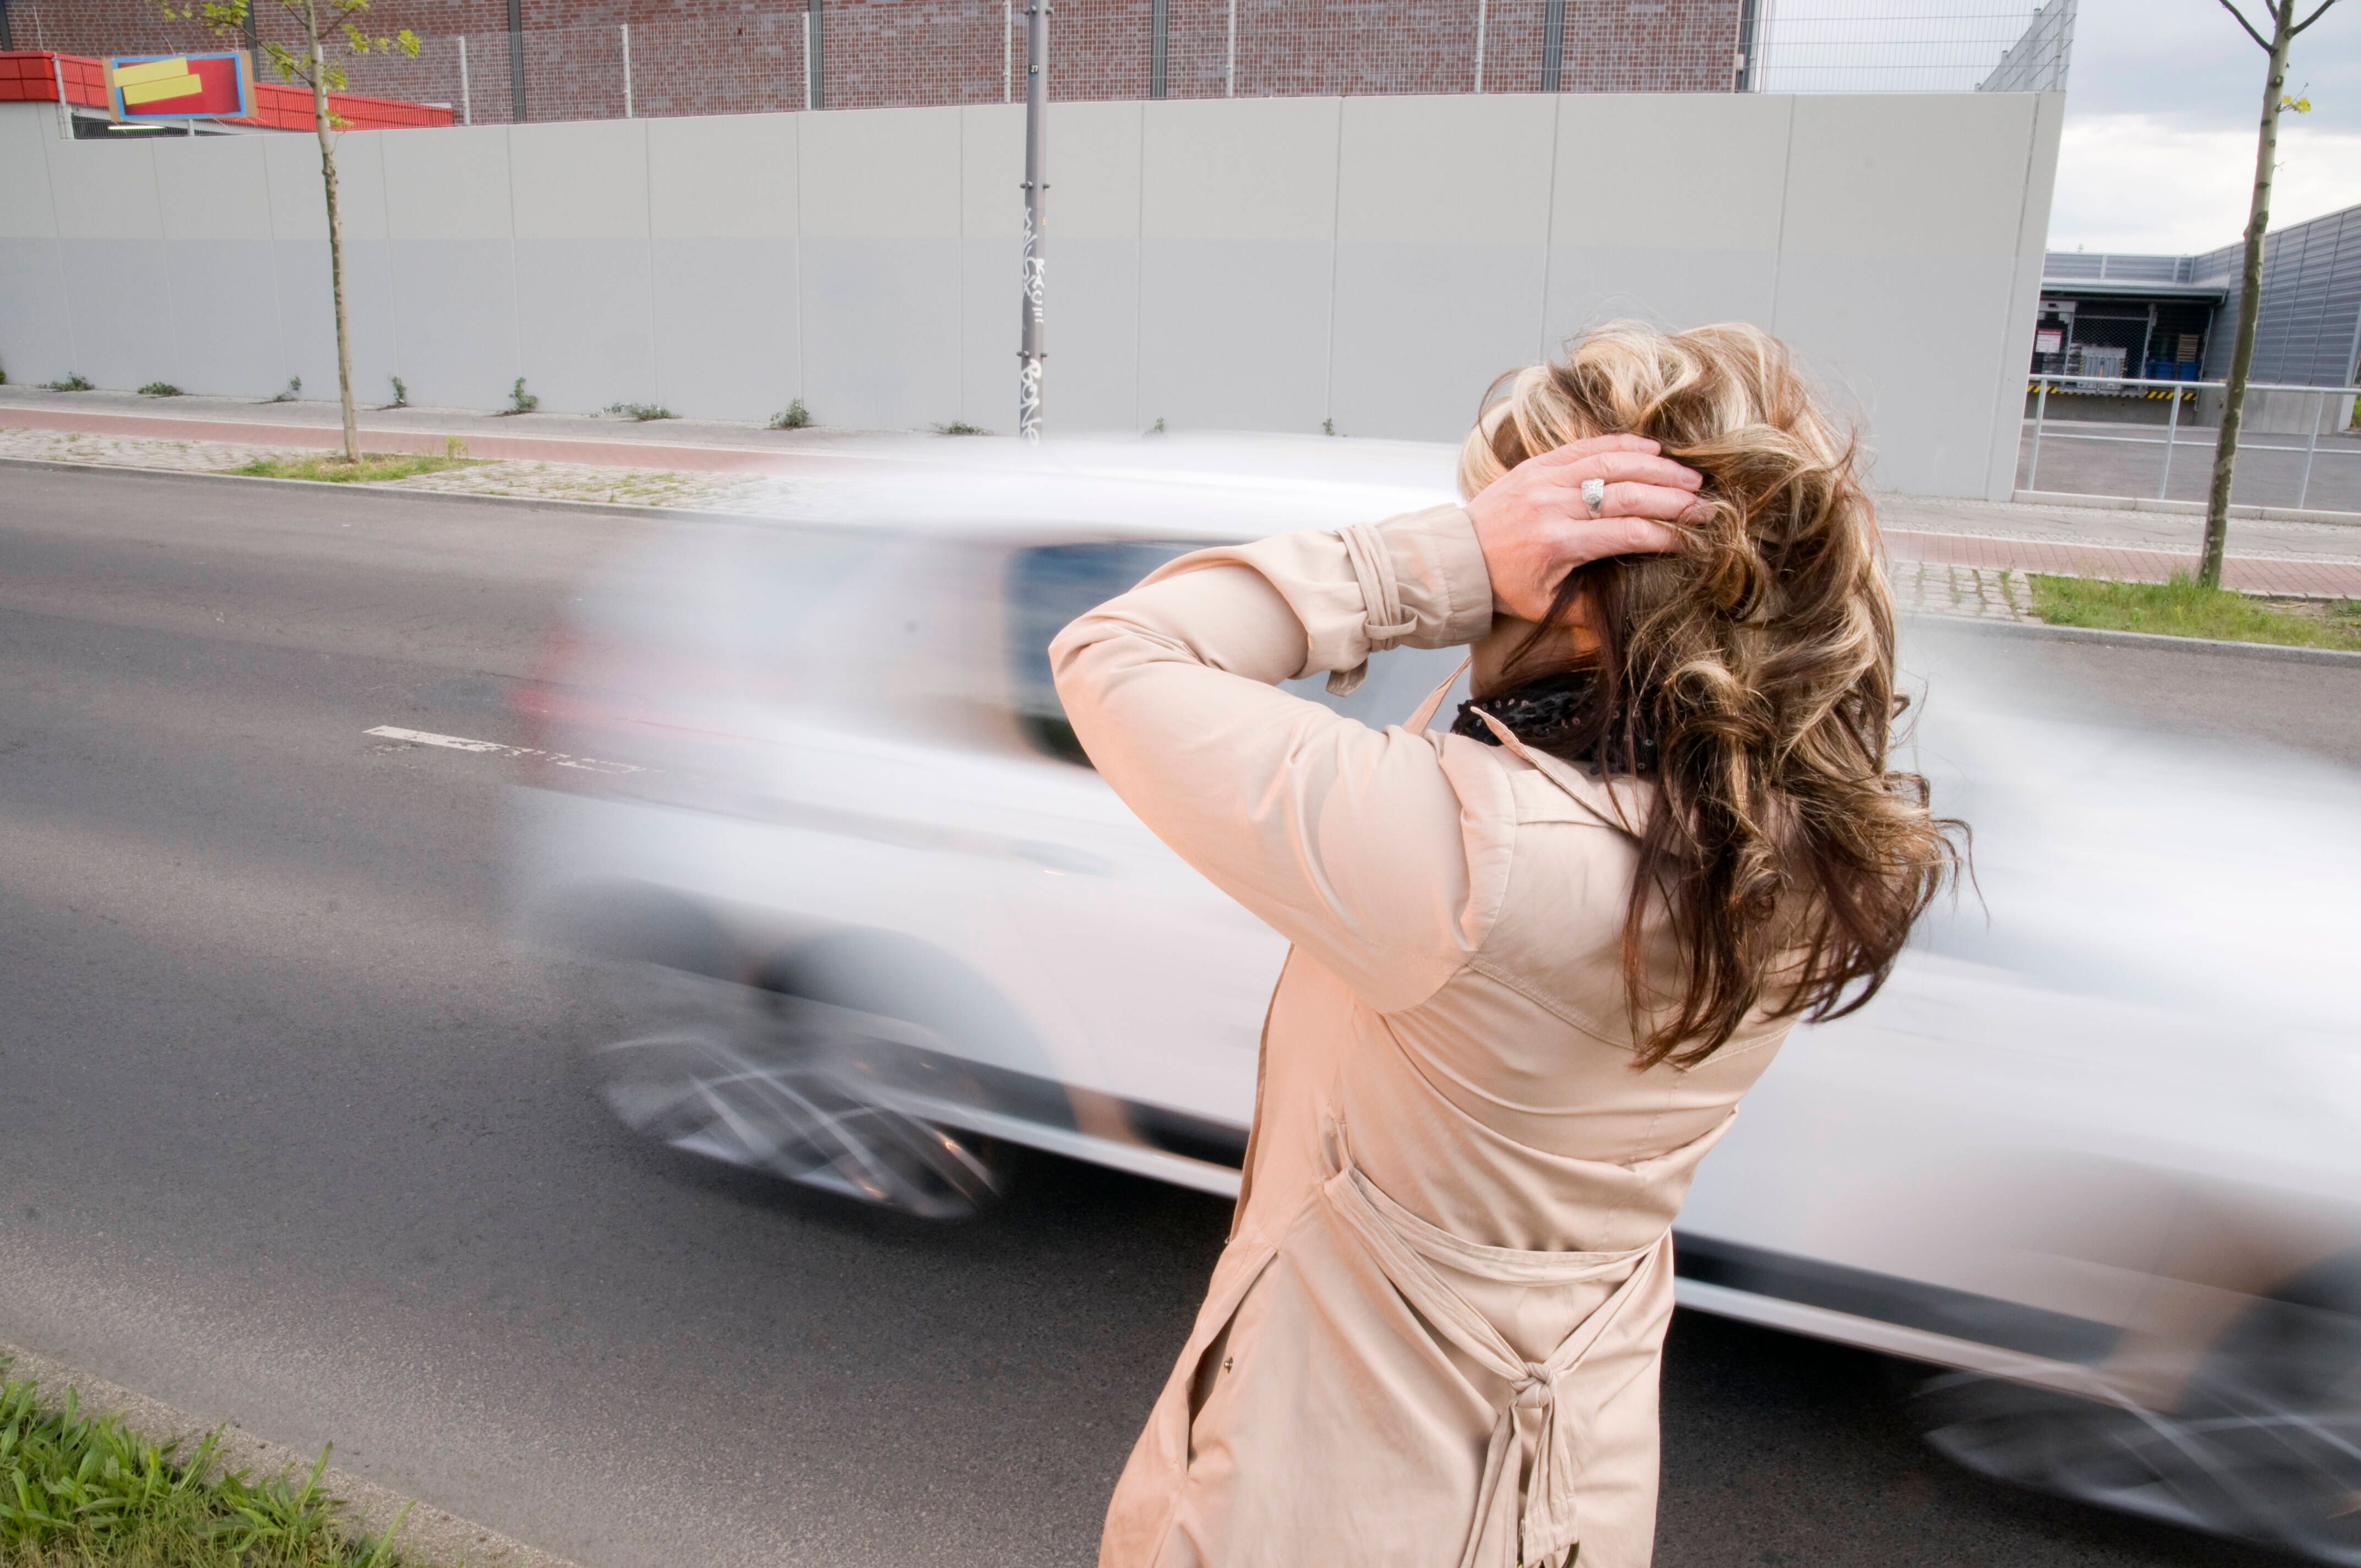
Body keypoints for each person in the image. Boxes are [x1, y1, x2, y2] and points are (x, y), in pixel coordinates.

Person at [1050, 321, 1961, 1568]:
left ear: (1574, 575)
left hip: (1332, 1504)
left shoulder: (1467, 858)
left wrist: (1446, 560)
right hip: (1569, 1494)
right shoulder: (1801, 843)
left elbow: (1114, 651)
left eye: (1515, 511)